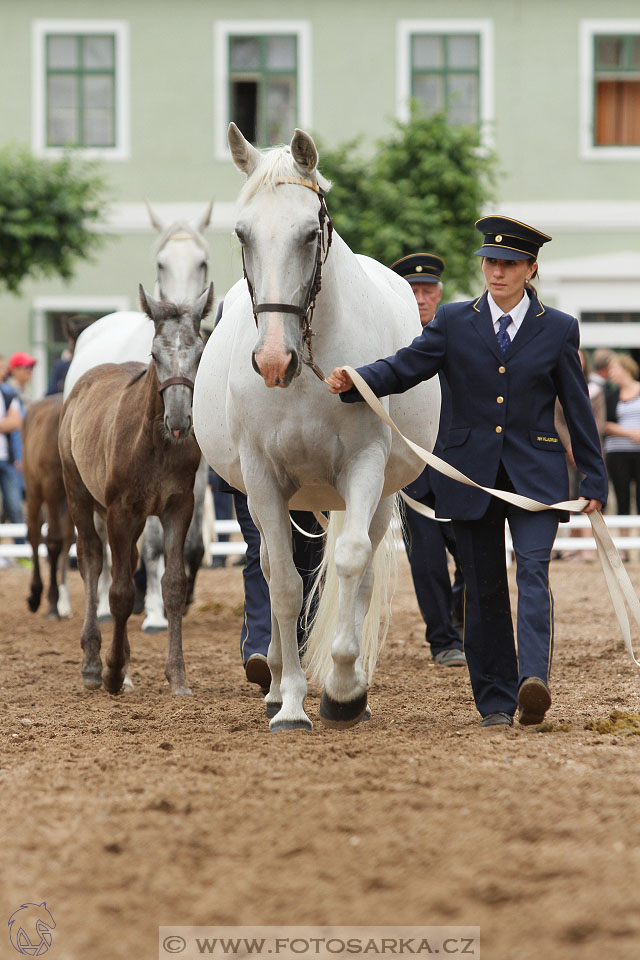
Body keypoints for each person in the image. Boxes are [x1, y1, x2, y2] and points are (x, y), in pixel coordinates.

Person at [327, 216, 608, 728]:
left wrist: (593, 478)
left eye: (508, 264)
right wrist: (357, 379)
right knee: (482, 589)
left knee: (533, 572)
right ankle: (497, 701)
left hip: (536, 474)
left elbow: (577, 406)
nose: (496, 272)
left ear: (530, 269)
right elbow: (407, 365)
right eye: (490, 262)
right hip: (468, 473)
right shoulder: (454, 321)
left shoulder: (559, 327)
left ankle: (532, 681)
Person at [390, 253, 465, 667]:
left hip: (459, 466)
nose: (421, 298)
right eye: (413, 290)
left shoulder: (460, 333)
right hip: (413, 468)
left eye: (428, 290)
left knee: (472, 556)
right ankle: (443, 640)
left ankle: (462, 617)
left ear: (439, 293)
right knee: (428, 561)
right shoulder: (392, 341)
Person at [603, 353, 640, 539]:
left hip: (638, 452)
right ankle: (624, 544)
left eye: (614, 369)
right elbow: (604, 424)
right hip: (617, 452)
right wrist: (631, 433)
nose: (611, 374)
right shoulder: (610, 395)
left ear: (626, 368)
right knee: (621, 497)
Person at [0, 375, 25, 544]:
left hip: (7, 459)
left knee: (15, 508)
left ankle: (21, 550)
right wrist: (5, 422)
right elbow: (10, 422)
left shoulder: (8, 393)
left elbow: (16, 423)